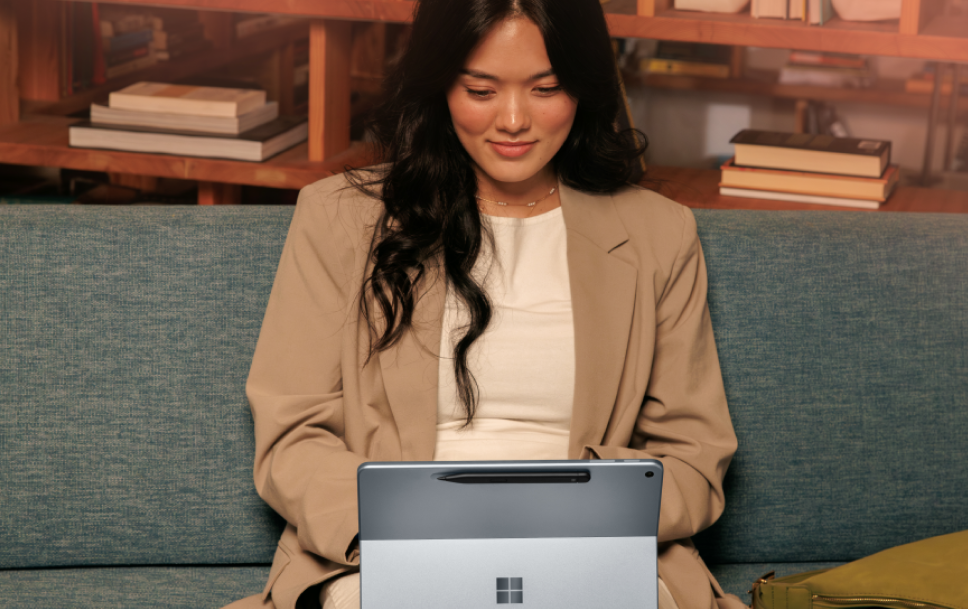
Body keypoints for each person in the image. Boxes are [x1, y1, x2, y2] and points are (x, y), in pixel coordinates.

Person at [225, 1, 742, 608]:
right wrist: (397, 534)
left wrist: (574, 521)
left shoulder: (660, 233)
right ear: (440, 81)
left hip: (591, 552)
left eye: (546, 88)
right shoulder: (339, 218)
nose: (515, 120)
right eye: (481, 89)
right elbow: (292, 433)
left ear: (583, 84)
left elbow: (694, 456)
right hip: (393, 549)